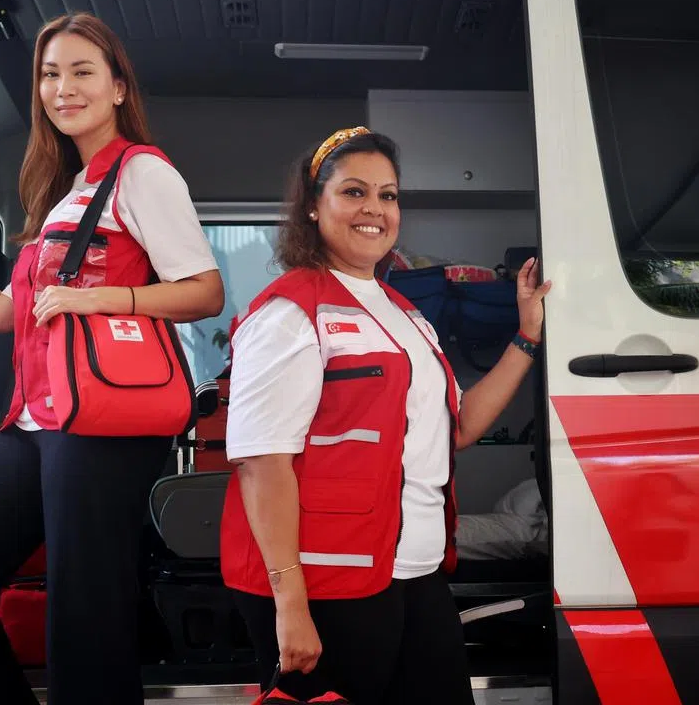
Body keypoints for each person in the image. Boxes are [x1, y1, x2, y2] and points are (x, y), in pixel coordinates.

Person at [0, 12, 224, 705]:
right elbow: (2, 314)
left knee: (84, 620)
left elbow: (204, 291)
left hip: (102, 420)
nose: (63, 87)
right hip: (37, 423)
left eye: (82, 71)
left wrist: (103, 301)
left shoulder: (142, 172)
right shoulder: (65, 192)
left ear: (119, 88)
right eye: (49, 73)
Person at [218, 127, 551, 705]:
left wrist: (525, 336)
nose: (375, 208)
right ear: (314, 207)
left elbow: (462, 424)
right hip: (327, 583)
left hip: (414, 571)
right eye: (353, 192)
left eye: (389, 194)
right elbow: (261, 464)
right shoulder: (290, 310)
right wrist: (290, 605)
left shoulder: (406, 314)